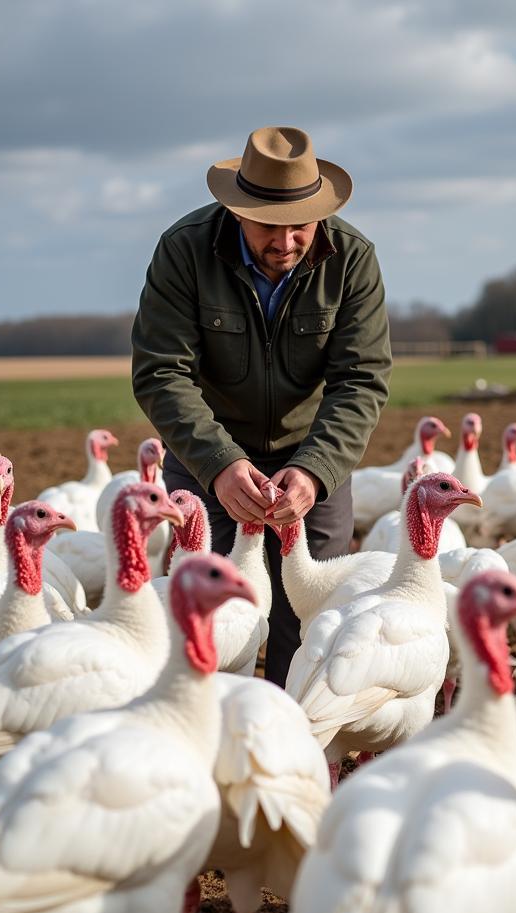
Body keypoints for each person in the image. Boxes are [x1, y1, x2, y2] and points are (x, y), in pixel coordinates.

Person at [131, 125, 391, 685]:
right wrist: (219, 465)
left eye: (301, 225)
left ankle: (290, 749)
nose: (287, 241)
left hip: (311, 453)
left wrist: (315, 471)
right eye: (270, 226)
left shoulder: (351, 259)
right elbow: (161, 371)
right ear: (237, 211)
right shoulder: (185, 250)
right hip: (209, 457)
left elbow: (361, 379)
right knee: (210, 622)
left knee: (310, 622)